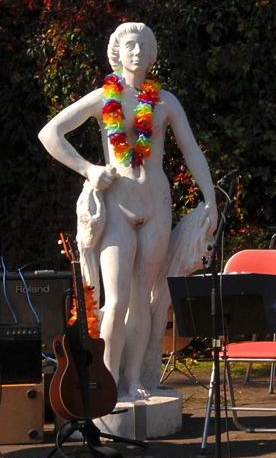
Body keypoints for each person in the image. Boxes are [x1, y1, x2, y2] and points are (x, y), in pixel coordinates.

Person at [39, 22, 217, 401]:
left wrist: (211, 199)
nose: (137, 52)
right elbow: (50, 133)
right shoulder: (103, 98)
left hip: (156, 205)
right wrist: (88, 168)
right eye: (130, 45)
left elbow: (191, 151)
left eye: (144, 46)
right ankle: (106, 381)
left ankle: (134, 378)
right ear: (117, 53)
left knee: (144, 299)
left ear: (152, 55)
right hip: (118, 207)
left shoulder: (165, 101)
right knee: (115, 300)